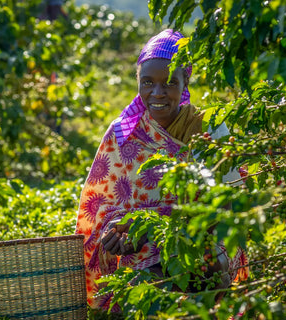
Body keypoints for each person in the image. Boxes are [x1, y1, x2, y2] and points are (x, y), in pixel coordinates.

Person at [75, 29, 248, 310]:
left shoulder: (210, 128)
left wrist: (156, 228)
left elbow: (231, 207)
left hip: (201, 246)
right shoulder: (122, 134)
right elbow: (99, 209)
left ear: (185, 81)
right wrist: (117, 234)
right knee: (141, 289)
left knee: (203, 270)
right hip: (139, 255)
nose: (157, 93)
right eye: (147, 83)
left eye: (168, 83)